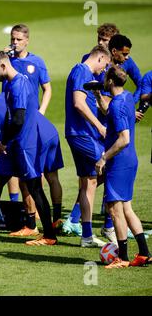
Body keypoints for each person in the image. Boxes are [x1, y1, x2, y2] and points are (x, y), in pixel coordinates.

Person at [0, 50, 58, 246]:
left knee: (35, 188)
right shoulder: (10, 83)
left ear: (3, 65)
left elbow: (18, 120)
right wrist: (4, 140)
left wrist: (3, 141)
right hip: (14, 144)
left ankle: (50, 235)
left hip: (25, 144)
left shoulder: (18, 85)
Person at [4, 24, 63, 228]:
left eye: (19, 39)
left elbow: (47, 88)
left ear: (27, 40)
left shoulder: (36, 62)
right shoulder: (7, 62)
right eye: (13, 38)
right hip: (16, 122)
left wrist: (41, 112)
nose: (15, 42)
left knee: (43, 172)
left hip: (33, 123)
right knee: (21, 173)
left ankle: (55, 219)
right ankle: (28, 219)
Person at [95, 65, 151, 268]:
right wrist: (96, 94)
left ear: (110, 81)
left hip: (119, 162)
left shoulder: (118, 104)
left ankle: (123, 257)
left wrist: (103, 158)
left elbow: (123, 139)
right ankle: (144, 253)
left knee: (115, 210)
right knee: (127, 208)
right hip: (130, 160)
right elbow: (108, 111)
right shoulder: (126, 97)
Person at [65, 45, 111, 248]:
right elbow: (78, 103)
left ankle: (86, 235)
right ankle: (112, 225)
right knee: (113, 168)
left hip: (81, 134)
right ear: (100, 58)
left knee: (89, 183)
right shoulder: (82, 71)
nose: (104, 70)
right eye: (105, 65)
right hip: (82, 135)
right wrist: (100, 126)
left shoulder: (82, 72)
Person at [81, 24, 142, 105]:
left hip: (114, 111)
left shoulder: (126, 61)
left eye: (104, 40)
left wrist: (131, 104)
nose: (100, 42)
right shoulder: (89, 59)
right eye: (99, 38)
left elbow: (141, 84)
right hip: (95, 111)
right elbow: (83, 86)